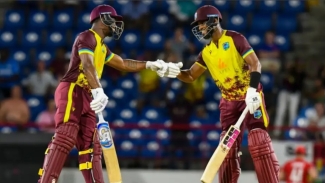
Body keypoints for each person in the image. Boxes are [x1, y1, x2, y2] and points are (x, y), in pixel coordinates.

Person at [37, 4, 182, 183]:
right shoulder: (87, 37)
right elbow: (87, 64)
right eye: (113, 20)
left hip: (88, 95)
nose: (116, 25)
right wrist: (98, 90)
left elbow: (122, 63)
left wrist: (151, 64)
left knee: (91, 146)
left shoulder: (102, 46)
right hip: (73, 89)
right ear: (103, 18)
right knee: (66, 136)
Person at [160, 5, 280, 183]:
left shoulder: (235, 39)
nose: (199, 28)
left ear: (214, 20)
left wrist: (253, 90)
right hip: (229, 103)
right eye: (198, 25)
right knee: (227, 148)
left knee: (258, 139)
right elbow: (191, 75)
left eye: (202, 23)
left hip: (250, 97)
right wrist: (173, 71)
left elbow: (256, 64)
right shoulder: (206, 52)